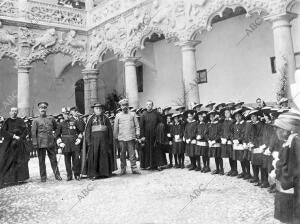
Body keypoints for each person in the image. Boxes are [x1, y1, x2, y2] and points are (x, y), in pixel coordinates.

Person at [272, 110, 300, 223]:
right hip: (288, 194)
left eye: (278, 128)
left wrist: (278, 170)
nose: (276, 131)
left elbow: (294, 173)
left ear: (286, 129)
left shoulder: (296, 142)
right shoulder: (289, 141)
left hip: (293, 196)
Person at [31, 102, 62, 182]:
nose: (43, 109)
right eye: (41, 108)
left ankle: (57, 175)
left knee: (53, 160)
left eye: (44, 107)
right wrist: (35, 143)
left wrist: (55, 136)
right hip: (40, 143)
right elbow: (33, 133)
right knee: (41, 161)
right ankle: (43, 177)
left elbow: (57, 128)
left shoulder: (51, 119)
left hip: (50, 142)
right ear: (39, 109)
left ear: (46, 109)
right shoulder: (35, 120)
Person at [0, 107, 30, 187]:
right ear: (10, 112)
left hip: (19, 143)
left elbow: (25, 131)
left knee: (19, 160)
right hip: (9, 144)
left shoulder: (20, 120)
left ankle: (19, 178)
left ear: (17, 112)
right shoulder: (7, 121)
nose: (14, 113)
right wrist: (12, 136)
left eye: (16, 111)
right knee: (6, 160)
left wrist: (20, 137)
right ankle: (8, 179)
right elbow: (3, 131)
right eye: (12, 111)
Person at [85, 103, 116, 179]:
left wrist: (109, 141)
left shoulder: (106, 118)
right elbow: (87, 131)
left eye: (100, 108)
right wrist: (89, 142)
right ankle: (94, 174)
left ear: (102, 109)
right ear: (94, 109)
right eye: (96, 108)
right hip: (94, 142)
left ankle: (105, 173)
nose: (98, 110)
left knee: (104, 156)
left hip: (104, 142)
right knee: (94, 157)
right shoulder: (90, 119)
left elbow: (110, 131)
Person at [114, 99, 141, 175]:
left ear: (128, 105)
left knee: (132, 154)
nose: (124, 107)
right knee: (122, 154)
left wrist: (137, 133)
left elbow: (137, 126)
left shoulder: (133, 114)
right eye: (123, 105)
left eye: (126, 105)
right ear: (121, 106)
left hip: (131, 137)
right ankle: (123, 169)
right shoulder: (118, 115)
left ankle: (134, 168)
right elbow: (116, 128)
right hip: (121, 138)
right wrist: (115, 137)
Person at [55, 108, 82, 181]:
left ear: (70, 114)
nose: (66, 115)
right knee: (67, 160)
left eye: (68, 114)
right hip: (65, 144)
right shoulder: (60, 124)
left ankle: (77, 175)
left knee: (76, 159)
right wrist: (60, 143)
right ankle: (69, 175)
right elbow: (57, 135)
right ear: (63, 115)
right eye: (65, 114)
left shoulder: (75, 122)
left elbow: (80, 132)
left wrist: (79, 139)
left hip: (74, 143)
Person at [140, 100, 161, 170]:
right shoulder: (143, 114)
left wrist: (159, 133)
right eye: (147, 104)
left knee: (156, 150)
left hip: (155, 135)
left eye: (150, 104)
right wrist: (142, 136)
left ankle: (156, 165)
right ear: (146, 106)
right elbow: (141, 126)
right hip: (146, 136)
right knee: (147, 150)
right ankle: (148, 165)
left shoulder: (156, 114)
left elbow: (160, 123)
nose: (148, 106)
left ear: (152, 105)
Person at [207, 110, 223, 175]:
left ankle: (222, 169)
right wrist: (208, 140)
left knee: (219, 157)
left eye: (212, 117)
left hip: (217, 143)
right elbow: (206, 133)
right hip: (211, 143)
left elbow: (220, 134)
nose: (211, 118)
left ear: (215, 117)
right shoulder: (209, 125)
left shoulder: (219, 124)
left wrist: (215, 140)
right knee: (215, 156)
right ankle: (217, 169)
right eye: (210, 117)